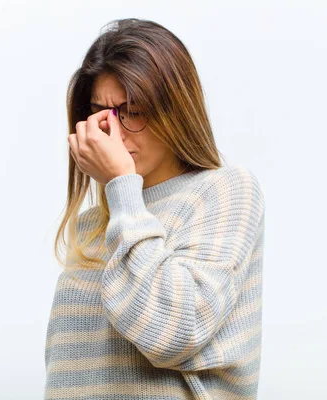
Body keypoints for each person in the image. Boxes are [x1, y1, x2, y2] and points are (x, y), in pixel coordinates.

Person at [45, 18, 265, 400]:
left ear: (175, 110)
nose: (113, 131)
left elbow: (177, 329)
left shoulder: (224, 191)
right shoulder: (94, 225)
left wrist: (121, 188)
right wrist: (122, 195)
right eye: (100, 111)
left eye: (133, 110)